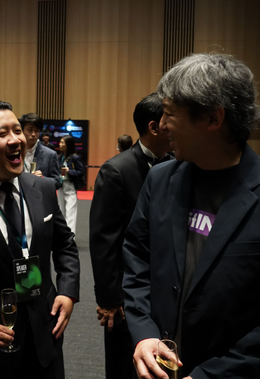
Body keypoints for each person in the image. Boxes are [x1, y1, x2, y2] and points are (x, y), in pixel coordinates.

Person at [123, 53, 260, 379]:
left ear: (213, 118)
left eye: (170, 113)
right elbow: (136, 261)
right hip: (157, 368)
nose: (162, 125)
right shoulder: (160, 180)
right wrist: (144, 333)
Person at [0, 97, 80, 379]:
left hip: (46, 334)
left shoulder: (42, 187)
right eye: (1, 134)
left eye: (17, 130)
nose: (16, 140)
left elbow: (64, 244)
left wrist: (67, 290)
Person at [90, 93, 173, 379]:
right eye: (170, 118)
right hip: (127, 291)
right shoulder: (116, 170)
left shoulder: (177, 164)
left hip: (166, 285)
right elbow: (104, 241)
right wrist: (110, 299)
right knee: (124, 364)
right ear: (154, 127)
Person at [20, 112, 61, 190]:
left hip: (40, 196)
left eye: (37, 131)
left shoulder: (50, 154)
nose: (33, 134)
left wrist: (42, 179)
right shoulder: (14, 152)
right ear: (22, 130)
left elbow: (57, 182)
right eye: (30, 130)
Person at [57, 135, 85, 234]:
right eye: (60, 142)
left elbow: (81, 172)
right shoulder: (59, 157)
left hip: (70, 186)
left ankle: (70, 236)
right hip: (60, 186)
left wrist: (69, 171)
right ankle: (62, 235)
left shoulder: (75, 157)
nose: (60, 144)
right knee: (61, 212)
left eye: (62, 142)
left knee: (70, 213)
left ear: (68, 145)